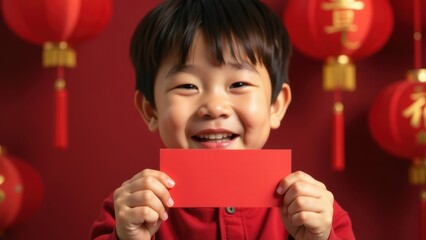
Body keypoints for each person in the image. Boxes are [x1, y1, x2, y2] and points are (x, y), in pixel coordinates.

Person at [89, 0, 355, 239]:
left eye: (238, 83)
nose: (215, 107)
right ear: (151, 110)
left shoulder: (317, 212)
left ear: (276, 105)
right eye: (188, 86)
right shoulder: (127, 211)